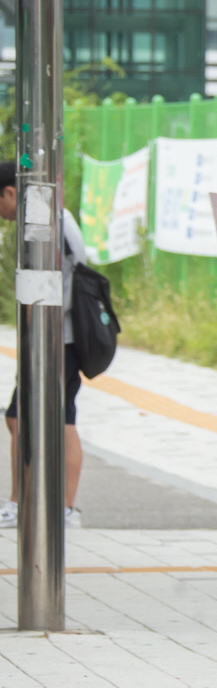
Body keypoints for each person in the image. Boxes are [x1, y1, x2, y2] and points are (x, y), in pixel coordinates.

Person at [0, 160, 91, 530]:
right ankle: (55, 507)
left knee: (30, 417)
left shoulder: (45, 221)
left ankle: (28, 503)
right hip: (58, 336)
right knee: (52, 416)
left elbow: (59, 282)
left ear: (10, 192)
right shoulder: (53, 216)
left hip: (56, 338)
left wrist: (39, 325)